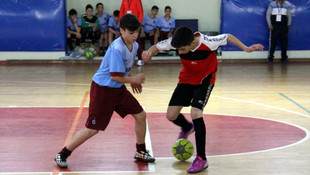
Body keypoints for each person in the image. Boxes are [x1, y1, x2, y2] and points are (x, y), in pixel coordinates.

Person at [142, 26, 263, 173]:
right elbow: (157, 47)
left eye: (181, 50)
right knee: (171, 115)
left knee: (196, 113)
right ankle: (187, 127)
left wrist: (246, 48)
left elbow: (227, 36)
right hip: (186, 79)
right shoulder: (176, 42)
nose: (179, 53)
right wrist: (149, 53)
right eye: (177, 49)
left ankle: (201, 158)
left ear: (192, 44)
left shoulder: (208, 42)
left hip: (205, 80)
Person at [54, 14, 155, 168]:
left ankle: (140, 151)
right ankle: (63, 153)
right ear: (121, 31)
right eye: (131, 32)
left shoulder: (133, 45)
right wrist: (132, 80)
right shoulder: (116, 48)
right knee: (93, 129)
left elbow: (126, 67)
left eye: (137, 32)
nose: (135, 36)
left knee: (140, 115)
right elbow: (114, 76)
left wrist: (131, 77)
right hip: (102, 90)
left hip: (118, 90)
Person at [119, 0, 144, 66]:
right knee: (124, 41)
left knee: (137, 41)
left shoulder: (137, 1)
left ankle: (140, 59)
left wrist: (139, 24)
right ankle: (124, 59)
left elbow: (140, 13)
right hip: (126, 25)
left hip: (135, 25)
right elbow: (121, 12)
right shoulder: (124, 1)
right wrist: (121, 23)